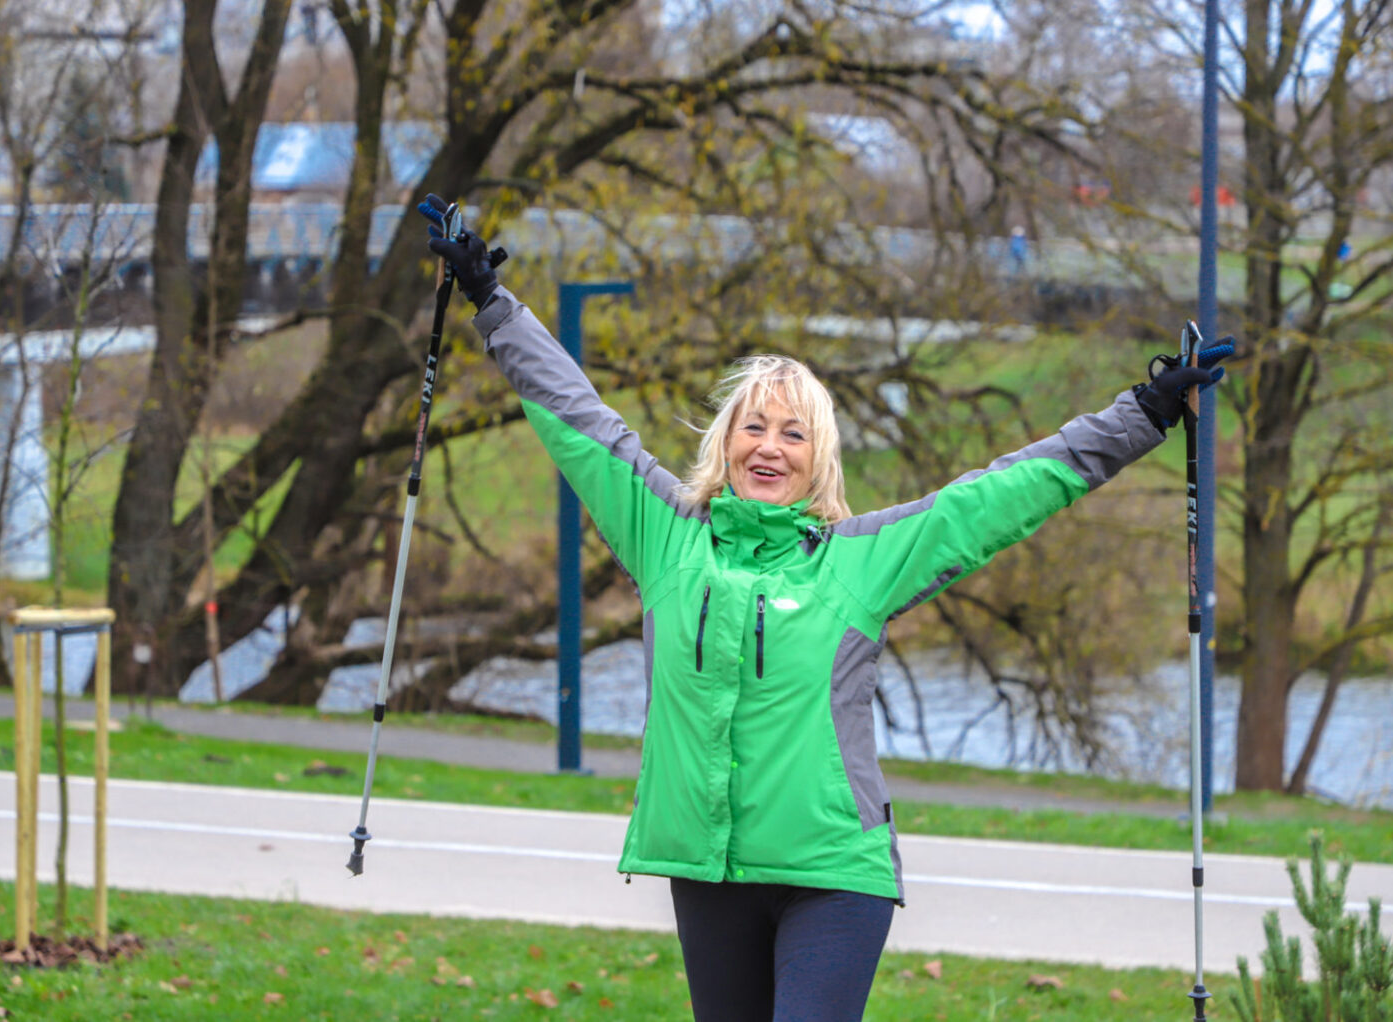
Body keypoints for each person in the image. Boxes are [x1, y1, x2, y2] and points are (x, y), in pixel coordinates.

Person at [421, 196, 1217, 1022]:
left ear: (818, 461)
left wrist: (1145, 414)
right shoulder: (663, 534)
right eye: (754, 427)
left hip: (833, 875)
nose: (770, 446)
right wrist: (490, 300)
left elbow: (995, 498)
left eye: (794, 435)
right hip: (710, 871)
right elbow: (578, 417)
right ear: (725, 445)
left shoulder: (858, 561)